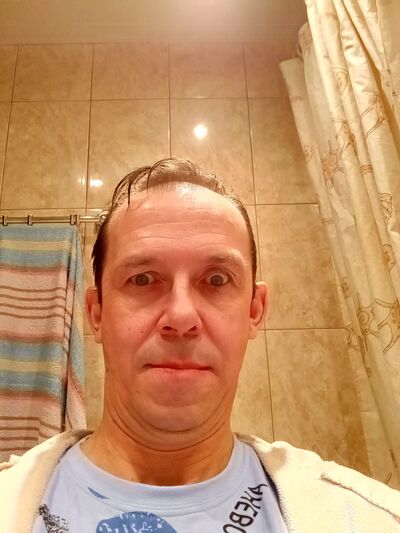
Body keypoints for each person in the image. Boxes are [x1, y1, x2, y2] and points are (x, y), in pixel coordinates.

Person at [0, 158, 399, 533]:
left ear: (254, 310)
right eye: (143, 279)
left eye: (217, 279)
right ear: (97, 312)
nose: (181, 317)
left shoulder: (371, 519)